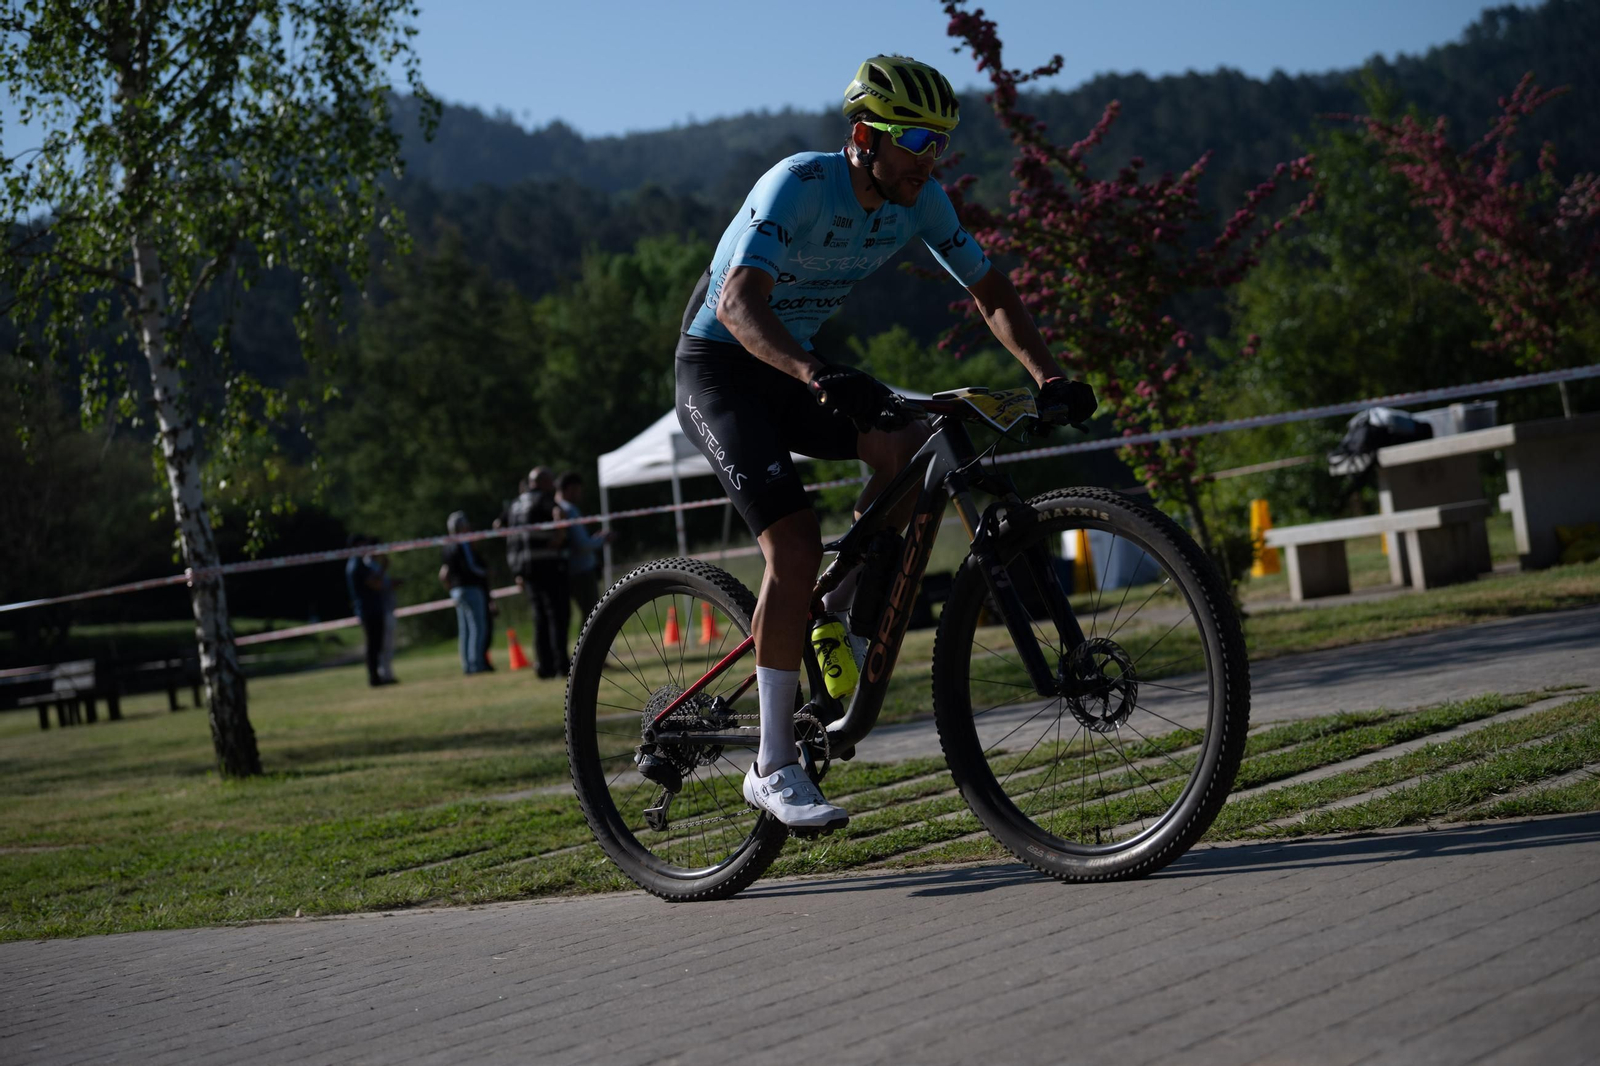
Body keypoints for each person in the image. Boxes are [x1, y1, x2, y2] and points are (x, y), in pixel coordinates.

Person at [674, 55, 1096, 830]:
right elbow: (737, 303)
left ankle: (832, 604)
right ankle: (772, 765)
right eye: (912, 140)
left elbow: (989, 289)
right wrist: (816, 371)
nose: (928, 159)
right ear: (865, 135)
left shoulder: (921, 199)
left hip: (797, 365)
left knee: (904, 445)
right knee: (793, 545)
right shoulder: (798, 184)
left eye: (940, 142)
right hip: (724, 367)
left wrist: (1048, 376)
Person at [506, 467, 569, 678]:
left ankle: (543, 666)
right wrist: (560, 536)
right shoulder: (544, 499)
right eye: (551, 482)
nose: (553, 486)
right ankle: (561, 665)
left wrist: (517, 571)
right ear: (542, 482)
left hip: (526, 569)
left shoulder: (515, 504)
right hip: (548, 565)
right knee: (556, 616)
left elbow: (502, 529)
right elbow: (558, 514)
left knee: (539, 618)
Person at [555, 471, 612, 623]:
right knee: (592, 617)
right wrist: (602, 539)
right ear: (570, 489)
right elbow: (582, 544)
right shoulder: (569, 510)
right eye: (579, 490)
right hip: (581, 571)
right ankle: (587, 648)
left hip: (565, 570)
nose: (580, 494)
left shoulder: (555, 507)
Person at [441, 511, 493, 674]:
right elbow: (471, 567)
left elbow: (443, 574)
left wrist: (451, 589)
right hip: (470, 588)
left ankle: (467, 665)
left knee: (465, 629)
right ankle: (475, 664)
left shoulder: (446, 545)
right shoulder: (463, 543)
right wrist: (486, 572)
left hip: (456, 590)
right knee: (477, 627)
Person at [344, 534, 391, 687]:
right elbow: (375, 584)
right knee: (373, 645)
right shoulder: (357, 564)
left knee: (375, 645)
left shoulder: (359, 564)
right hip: (369, 610)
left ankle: (376, 676)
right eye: (362, 545)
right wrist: (383, 568)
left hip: (372, 608)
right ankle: (374, 678)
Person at [371, 546, 402, 684]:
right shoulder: (370, 566)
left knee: (388, 645)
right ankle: (383, 675)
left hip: (387, 609)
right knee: (383, 645)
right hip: (380, 611)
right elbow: (377, 584)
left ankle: (387, 674)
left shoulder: (375, 565)